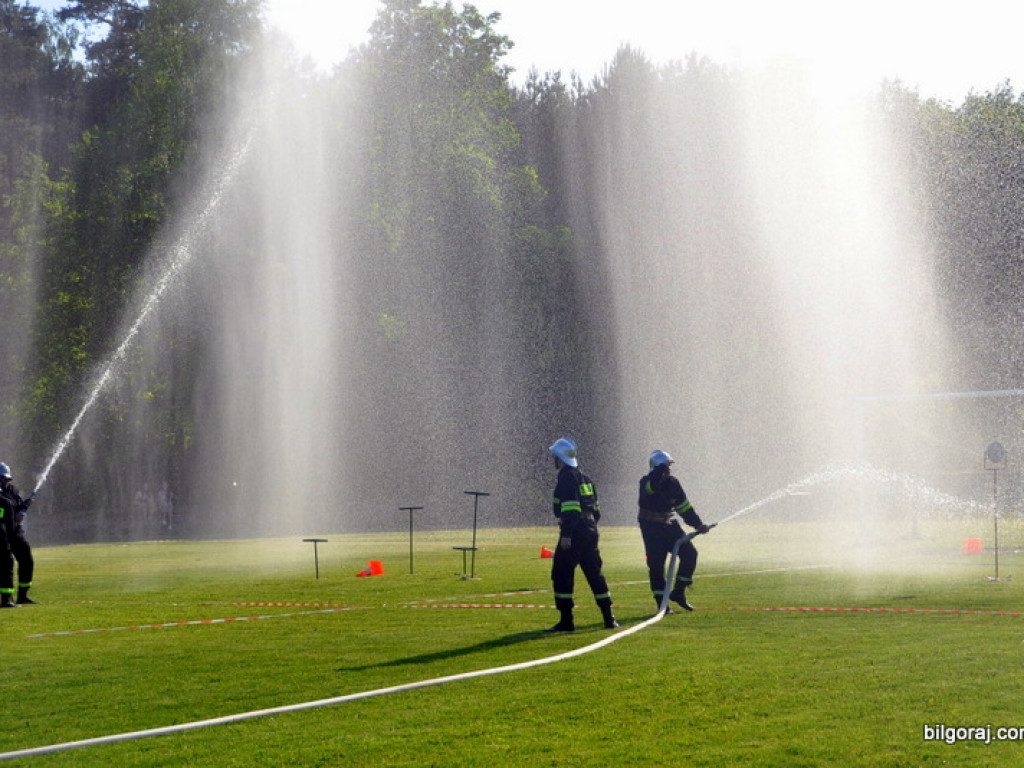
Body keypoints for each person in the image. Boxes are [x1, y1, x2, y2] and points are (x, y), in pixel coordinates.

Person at [544, 438, 618, 632]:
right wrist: (590, 527)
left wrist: (567, 533)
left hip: (575, 531)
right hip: (590, 530)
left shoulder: (566, 477)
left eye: (554, 456)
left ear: (560, 458)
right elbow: (596, 510)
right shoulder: (585, 477)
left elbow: (570, 508)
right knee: (595, 574)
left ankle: (566, 621)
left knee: (561, 573)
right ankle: (609, 618)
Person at [638, 450, 709, 612]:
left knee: (690, 553)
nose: (670, 470)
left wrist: (698, 525)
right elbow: (651, 488)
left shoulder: (673, 483)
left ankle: (679, 592)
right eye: (667, 467)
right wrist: (658, 471)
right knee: (656, 565)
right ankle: (662, 604)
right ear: (657, 468)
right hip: (651, 530)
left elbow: (684, 507)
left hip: (670, 526)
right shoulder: (645, 482)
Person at [0, 463, 35, 607]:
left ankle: (23, 596)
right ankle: (6, 599)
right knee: (6, 562)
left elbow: (17, 505)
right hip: (1, 531)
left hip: (14, 530)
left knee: (26, 558)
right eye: (2, 478)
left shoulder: (12, 491)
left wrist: (24, 507)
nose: (6, 481)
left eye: (7, 478)